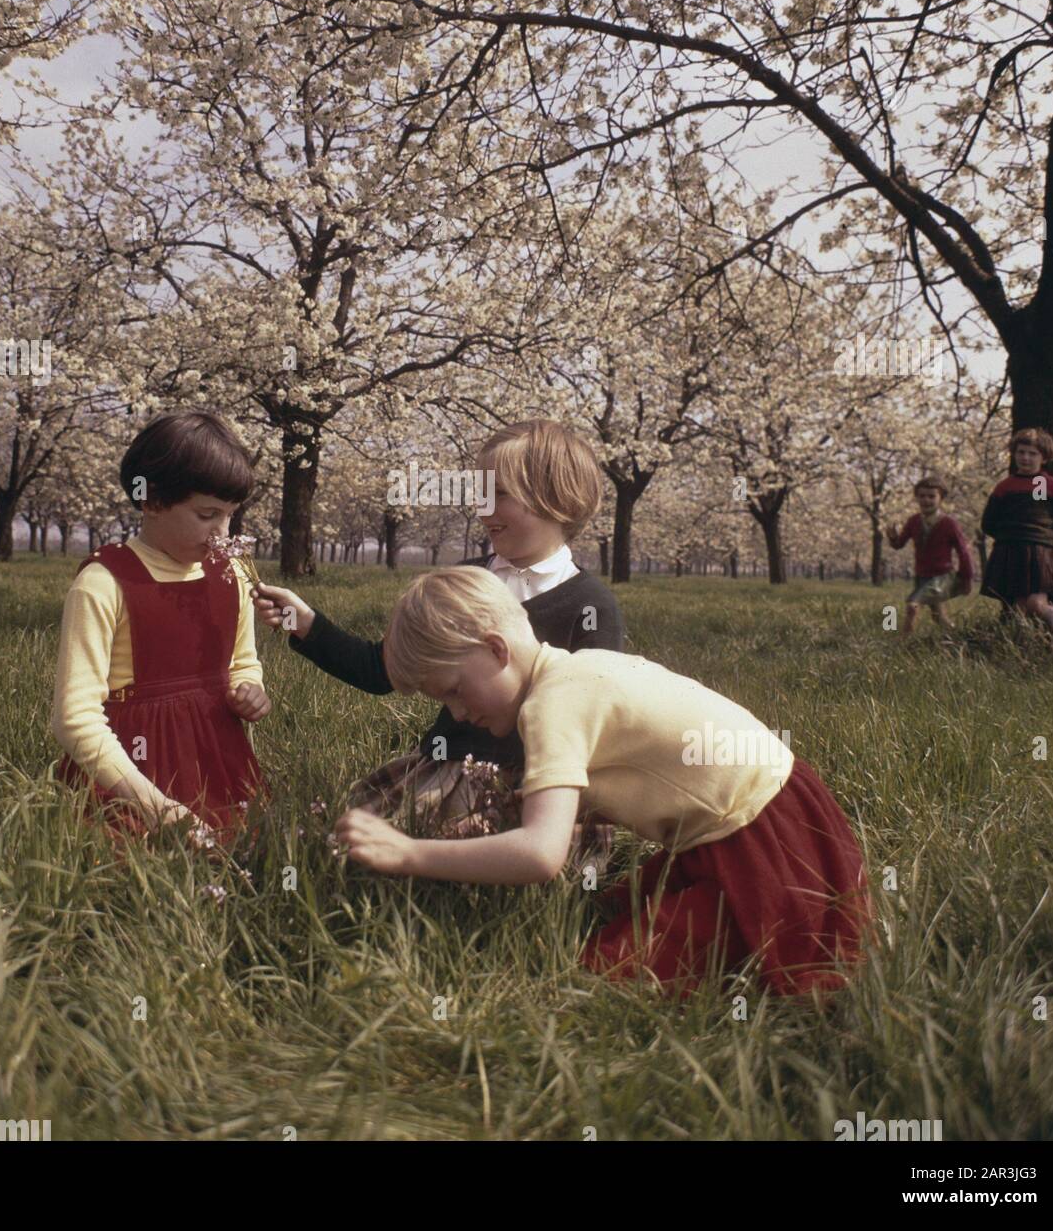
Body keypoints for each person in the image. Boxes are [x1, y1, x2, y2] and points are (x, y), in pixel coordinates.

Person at [334, 567, 873, 997]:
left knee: (607, 972)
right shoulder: (577, 670)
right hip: (778, 810)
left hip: (761, 840)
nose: (456, 712)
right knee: (615, 911)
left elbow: (540, 856)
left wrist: (409, 854)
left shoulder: (553, 704)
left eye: (453, 690)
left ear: (497, 650)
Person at [251, 419, 624, 867]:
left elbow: (596, 718)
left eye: (501, 493)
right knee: (351, 853)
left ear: (558, 499)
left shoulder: (591, 604)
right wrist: (307, 624)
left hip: (543, 788)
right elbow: (383, 669)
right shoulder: (463, 584)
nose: (484, 506)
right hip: (450, 771)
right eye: (481, 491)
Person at [51, 412, 270, 848]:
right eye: (207, 514)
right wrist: (159, 808)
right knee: (126, 863)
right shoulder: (103, 583)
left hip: (216, 762)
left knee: (246, 852)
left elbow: (242, 662)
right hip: (128, 773)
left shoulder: (233, 577)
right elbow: (74, 719)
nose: (221, 533)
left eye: (230, 516)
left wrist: (249, 688)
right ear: (150, 501)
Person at [979, 427, 1053, 644]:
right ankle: (1024, 654)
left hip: (1040, 552)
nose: (1026, 458)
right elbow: (988, 523)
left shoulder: (1044, 484)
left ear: (1044, 457)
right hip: (1011, 550)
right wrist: (1009, 534)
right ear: (1014, 454)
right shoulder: (1004, 487)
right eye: (1021, 452)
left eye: (1032, 453)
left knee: (1037, 604)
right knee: (1018, 608)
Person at [886, 475, 974, 637]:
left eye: (931, 496)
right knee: (938, 616)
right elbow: (899, 544)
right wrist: (893, 537)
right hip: (922, 575)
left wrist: (966, 578)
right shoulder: (913, 521)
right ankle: (959, 637)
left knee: (913, 605)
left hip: (942, 577)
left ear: (941, 498)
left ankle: (903, 641)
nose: (926, 500)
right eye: (922, 496)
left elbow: (963, 551)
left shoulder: (949, 523)